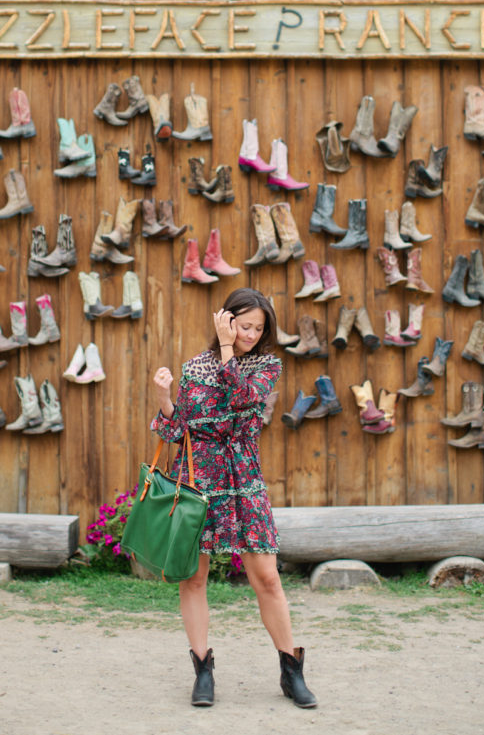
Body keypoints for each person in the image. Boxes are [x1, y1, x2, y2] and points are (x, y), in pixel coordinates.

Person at [151, 286, 317, 709]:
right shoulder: (194, 368)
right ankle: (202, 671)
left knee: (267, 578)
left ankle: (290, 669)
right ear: (225, 319)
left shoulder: (266, 366)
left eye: (258, 328)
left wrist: (228, 349)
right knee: (195, 578)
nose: (251, 333)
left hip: (244, 478)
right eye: (244, 325)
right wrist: (164, 399)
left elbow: (243, 400)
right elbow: (177, 432)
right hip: (198, 480)